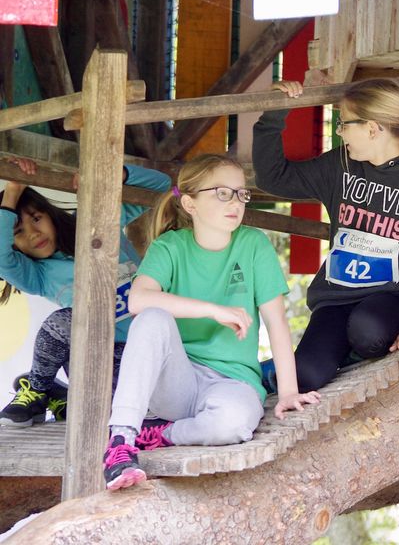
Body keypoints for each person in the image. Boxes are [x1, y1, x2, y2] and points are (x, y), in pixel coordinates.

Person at [101, 154, 320, 491]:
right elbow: (138, 300)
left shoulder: (254, 244)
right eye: (222, 193)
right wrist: (211, 309)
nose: (235, 202)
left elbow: (276, 322)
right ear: (190, 203)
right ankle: (121, 442)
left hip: (233, 381)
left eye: (241, 193)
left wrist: (289, 392)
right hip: (176, 381)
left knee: (233, 424)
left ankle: (162, 434)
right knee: (151, 318)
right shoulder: (170, 246)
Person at [252, 79, 399, 391]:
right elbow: (274, 178)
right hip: (335, 299)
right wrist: (274, 114)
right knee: (306, 377)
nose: (339, 132)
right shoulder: (340, 163)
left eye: (344, 124)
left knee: (368, 331)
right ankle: (304, 364)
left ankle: (352, 351)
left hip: (388, 298)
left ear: (372, 129)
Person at [0, 158, 171, 427]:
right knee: (63, 323)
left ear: (49, 213)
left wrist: (113, 174)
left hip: (152, 344)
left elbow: (162, 186)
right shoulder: (38, 274)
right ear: (14, 244)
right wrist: (12, 191)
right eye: (19, 232)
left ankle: (61, 394)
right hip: (104, 356)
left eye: (36, 219)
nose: (33, 234)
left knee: (160, 409)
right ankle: (39, 388)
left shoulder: (95, 221)